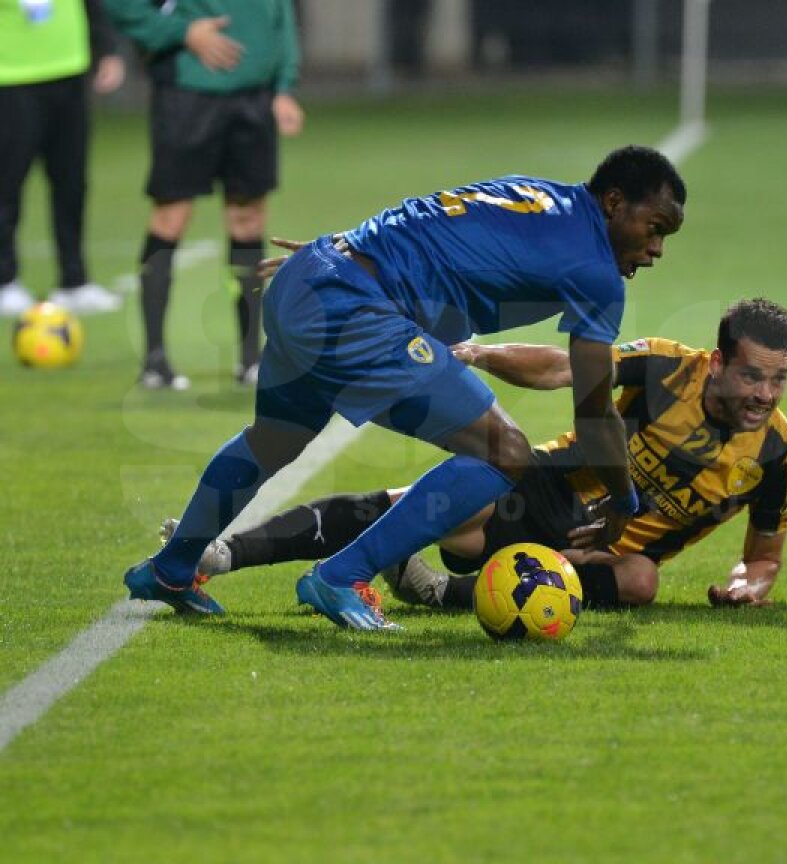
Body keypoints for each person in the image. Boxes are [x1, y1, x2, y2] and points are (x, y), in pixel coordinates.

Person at [123, 145, 687, 629]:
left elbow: (429, 217)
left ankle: (172, 568)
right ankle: (340, 577)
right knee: (505, 452)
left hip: (312, 275)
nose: (657, 249)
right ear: (614, 203)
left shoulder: (536, 194)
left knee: (273, 438)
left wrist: (343, 252)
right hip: (354, 309)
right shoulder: (595, 271)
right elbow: (593, 406)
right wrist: (622, 499)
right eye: (654, 228)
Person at [163, 299, 787, 610]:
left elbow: (764, 555)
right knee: (427, 507)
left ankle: (441, 593)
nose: (765, 395)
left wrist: (749, 585)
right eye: (753, 377)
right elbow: (564, 368)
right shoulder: (668, 368)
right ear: (719, 361)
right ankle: (222, 553)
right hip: (554, 489)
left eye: (778, 380)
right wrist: (477, 354)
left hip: (610, 554)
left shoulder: (778, 456)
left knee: (642, 581)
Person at [104, 0, 305, 389]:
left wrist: (284, 86)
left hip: (254, 99)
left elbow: (281, 13)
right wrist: (183, 32)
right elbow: (121, 6)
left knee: (248, 221)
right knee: (171, 217)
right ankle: (155, 359)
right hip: (186, 95)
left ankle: (251, 358)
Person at [0, 0, 126, 317]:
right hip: (11, 77)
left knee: (71, 183)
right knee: (7, 183)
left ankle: (73, 281)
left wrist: (107, 47)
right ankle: (5, 280)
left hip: (69, 70)